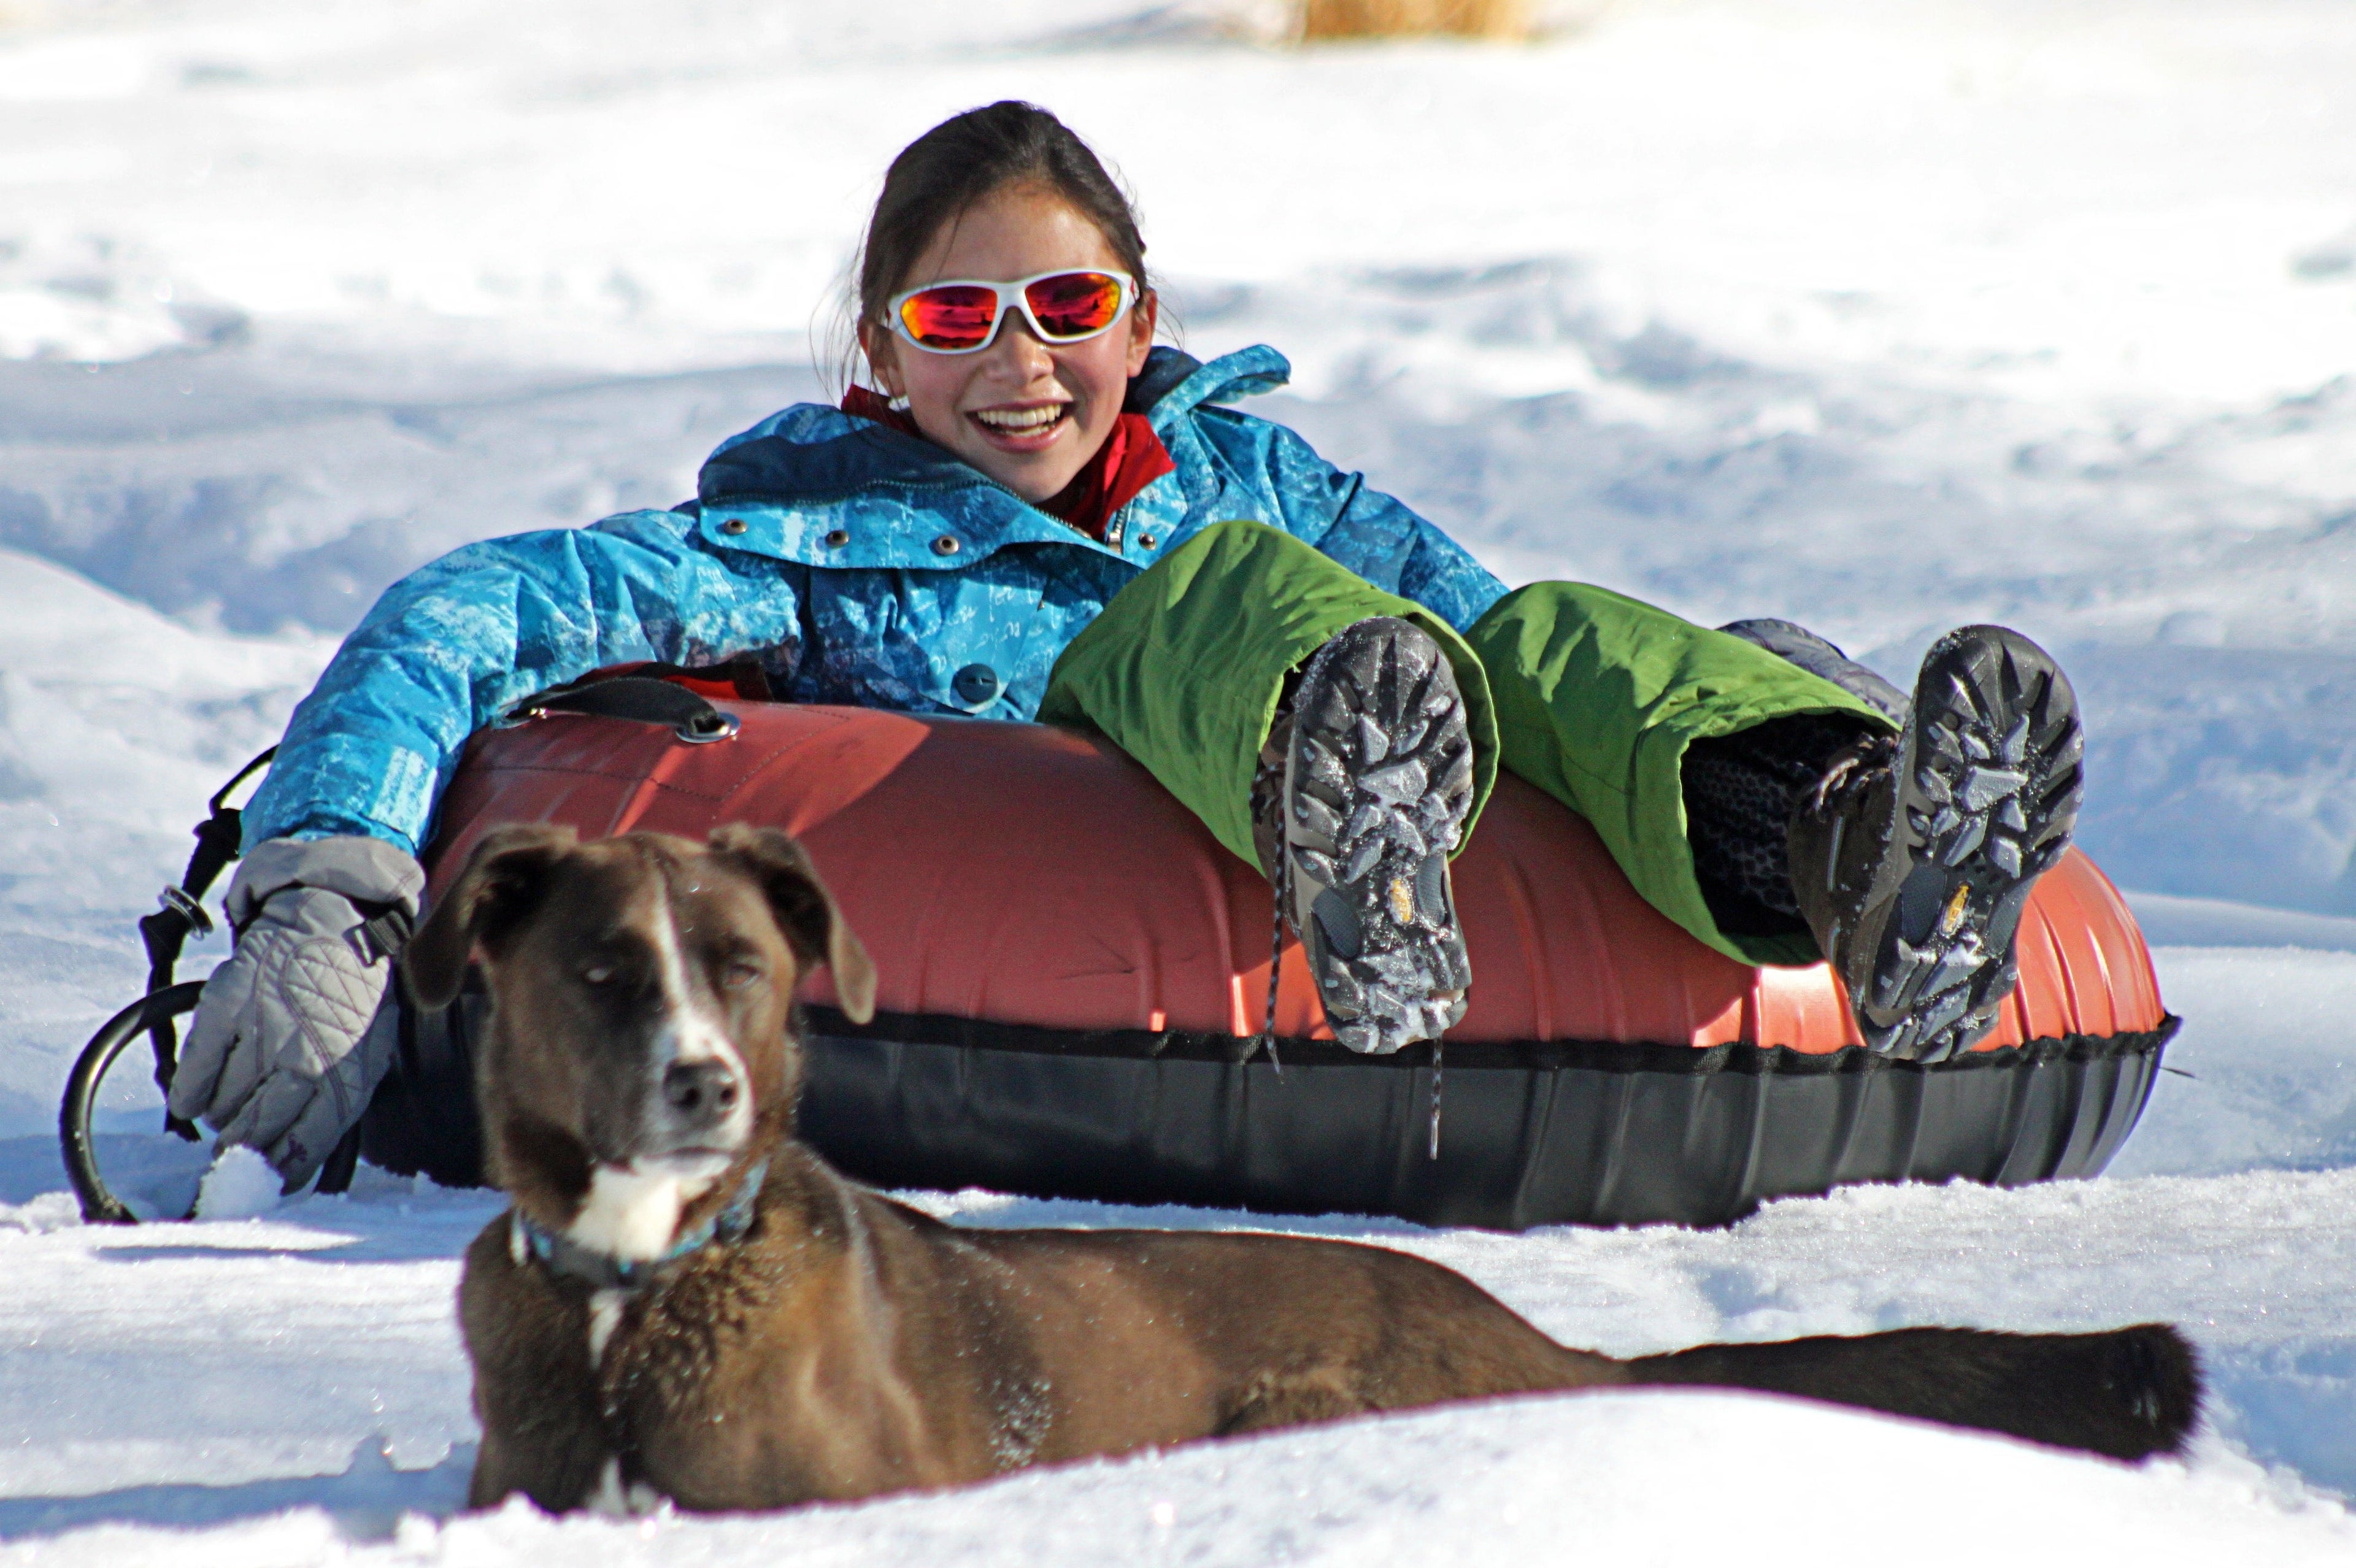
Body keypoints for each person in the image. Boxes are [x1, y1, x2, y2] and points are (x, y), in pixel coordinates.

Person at [169, 101, 2084, 1188]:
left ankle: (1838, 829)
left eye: (1067, 307)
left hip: (1389, 746)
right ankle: (1339, 794)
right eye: (957, 320)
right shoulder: (812, 545)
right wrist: (328, 895)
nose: (1021, 363)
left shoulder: (1258, 475)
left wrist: (1760, 689)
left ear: (1142, 317)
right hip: (1119, 812)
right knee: (1213, 605)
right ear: (880, 351)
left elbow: (1506, 639)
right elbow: (466, 612)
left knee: (1547, 628)